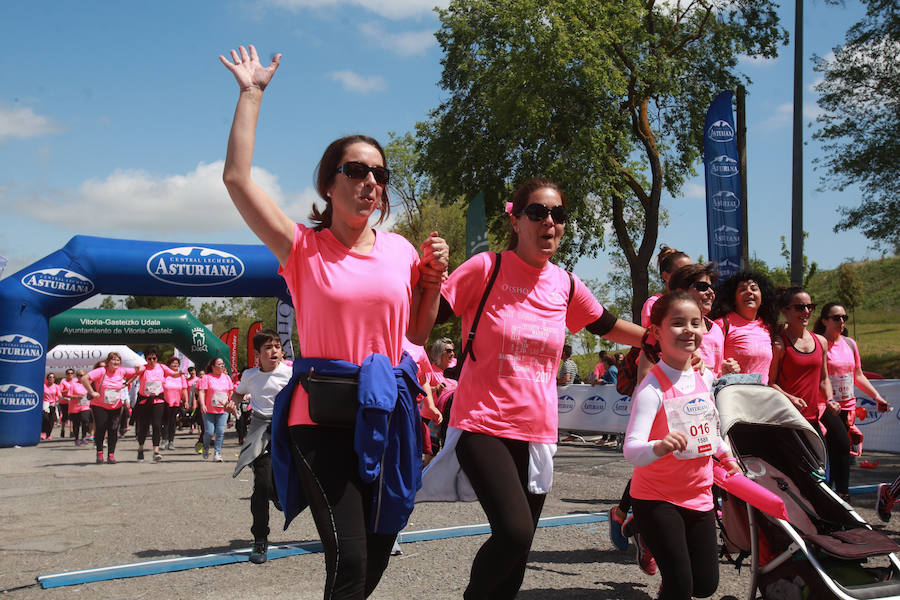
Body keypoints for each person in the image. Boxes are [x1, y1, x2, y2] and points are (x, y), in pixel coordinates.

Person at [219, 43, 448, 599]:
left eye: (379, 172)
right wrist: (251, 95)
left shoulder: (399, 252)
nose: (370, 180)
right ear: (329, 183)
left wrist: (433, 282)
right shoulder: (302, 247)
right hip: (318, 415)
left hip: (387, 413)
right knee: (348, 559)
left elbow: (416, 336)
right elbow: (236, 180)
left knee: (376, 553)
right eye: (356, 169)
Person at [437, 177, 644, 599]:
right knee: (513, 533)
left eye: (558, 214)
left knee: (521, 549)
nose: (549, 221)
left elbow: (605, 324)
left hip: (536, 433)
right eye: (538, 212)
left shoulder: (565, 284)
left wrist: (658, 338)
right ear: (515, 220)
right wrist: (423, 277)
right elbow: (427, 314)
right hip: (482, 424)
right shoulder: (486, 268)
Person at [624, 291, 739, 600]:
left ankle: (645, 537)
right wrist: (660, 446)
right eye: (677, 323)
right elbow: (631, 449)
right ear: (656, 332)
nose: (689, 330)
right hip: (657, 498)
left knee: (705, 586)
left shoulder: (705, 377)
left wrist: (727, 457)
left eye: (695, 322)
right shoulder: (651, 388)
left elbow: (709, 431)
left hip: (700, 495)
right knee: (680, 587)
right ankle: (646, 529)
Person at [610, 245, 691, 558]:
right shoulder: (656, 304)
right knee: (656, 460)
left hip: (688, 391)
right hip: (659, 388)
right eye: (684, 274)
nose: (692, 280)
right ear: (667, 276)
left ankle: (633, 518)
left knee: (685, 460)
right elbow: (655, 344)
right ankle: (631, 518)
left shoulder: (697, 305)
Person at [768, 287, 847, 496]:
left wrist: (829, 399)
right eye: (799, 307)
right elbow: (770, 383)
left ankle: (826, 513)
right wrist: (790, 397)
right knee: (794, 477)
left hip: (811, 419)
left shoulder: (820, 341)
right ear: (785, 310)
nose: (806, 311)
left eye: (810, 306)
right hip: (787, 420)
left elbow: (824, 379)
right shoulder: (779, 343)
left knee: (818, 473)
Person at [812, 301, 892, 496]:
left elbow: (858, 375)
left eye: (844, 318)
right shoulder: (818, 343)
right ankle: (837, 494)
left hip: (848, 408)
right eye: (836, 318)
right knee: (837, 448)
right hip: (825, 407)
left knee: (842, 452)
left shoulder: (850, 343)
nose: (841, 321)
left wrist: (876, 396)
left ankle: (838, 496)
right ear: (824, 321)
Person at [232, 330, 292, 564]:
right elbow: (238, 395)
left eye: (277, 346)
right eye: (268, 347)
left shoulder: (290, 371)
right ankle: (260, 540)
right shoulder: (250, 376)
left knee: (297, 478)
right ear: (258, 354)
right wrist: (232, 403)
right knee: (261, 484)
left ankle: (278, 493)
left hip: (286, 428)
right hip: (260, 429)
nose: (274, 351)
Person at [710, 270, 779, 383]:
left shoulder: (768, 327)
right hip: (735, 396)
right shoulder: (721, 324)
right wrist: (722, 366)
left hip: (762, 397)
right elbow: (709, 358)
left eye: (754, 289)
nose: (749, 292)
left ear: (762, 298)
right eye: (742, 289)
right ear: (734, 299)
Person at [82, 352, 137, 464]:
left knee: (113, 429)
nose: (116, 362)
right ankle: (100, 452)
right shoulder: (101, 371)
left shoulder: (122, 371)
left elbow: (138, 371)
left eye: (118, 360)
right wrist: (92, 392)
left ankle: (111, 454)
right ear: (108, 362)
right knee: (101, 428)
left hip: (116, 405)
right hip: (99, 405)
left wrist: (127, 383)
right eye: (113, 360)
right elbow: (84, 378)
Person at [132, 348, 179, 463]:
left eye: (154, 358)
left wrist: (180, 374)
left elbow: (174, 374)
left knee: (157, 425)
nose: (152, 360)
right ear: (146, 359)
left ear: (157, 358)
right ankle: (141, 448)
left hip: (158, 401)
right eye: (149, 358)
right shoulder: (144, 368)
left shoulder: (162, 367)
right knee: (143, 427)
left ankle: (156, 451)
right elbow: (134, 374)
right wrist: (128, 380)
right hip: (144, 401)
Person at [198, 357, 234, 462]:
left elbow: (231, 392)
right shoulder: (206, 377)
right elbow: (202, 391)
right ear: (213, 367)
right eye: (219, 364)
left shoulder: (227, 378)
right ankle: (205, 447)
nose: (222, 366)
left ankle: (217, 453)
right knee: (209, 432)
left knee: (220, 431)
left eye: (223, 364)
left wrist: (230, 403)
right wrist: (202, 404)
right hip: (209, 410)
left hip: (223, 410)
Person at [162, 356, 188, 450]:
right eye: (173, 363)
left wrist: (186, 401)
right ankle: (163, 439)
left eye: (177, 363)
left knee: (172, 422)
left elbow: (184, 389)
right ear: (169, 365)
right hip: (165, 401)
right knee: (164, 422)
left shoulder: (181, 376)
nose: (175, 365)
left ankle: (171, 441)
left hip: (176, 402)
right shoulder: (165, 375)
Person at [61, 369, 92, 446]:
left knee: (85, 420)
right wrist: (77, 396)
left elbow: (92, 393)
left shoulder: (88, 384)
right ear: (77, 377)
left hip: (85, 406)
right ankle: (77, 438)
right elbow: (68, 395)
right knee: (76, 424)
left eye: (83, 375)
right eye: (80, 375)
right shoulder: (73, 385)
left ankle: (84, 437)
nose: (82, 377)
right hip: (75, 407)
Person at [41, 373, 61, 440]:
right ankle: (43, 432)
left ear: (54, 379)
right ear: (47, 379)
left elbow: (59, 395)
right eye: (49, 377)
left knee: (51, 419)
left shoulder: (56, 386)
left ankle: (48, 434)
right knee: (45, 418)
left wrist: (59, 398)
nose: (51, 379)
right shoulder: (44, 386)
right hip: (45, 402)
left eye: (52, 377)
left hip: (53, 403)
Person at [58, 369, 74, 438]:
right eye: (68, 373)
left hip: (73, 400)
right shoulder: (63, 382)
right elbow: (60, 391)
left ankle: (71, 431)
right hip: (65, 400)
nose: (70, 374)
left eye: (71, 373)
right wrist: (67, 390)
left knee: (72, 416)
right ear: (66, 374)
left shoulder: (75, 381)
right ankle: (62, 429)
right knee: (65, 416)